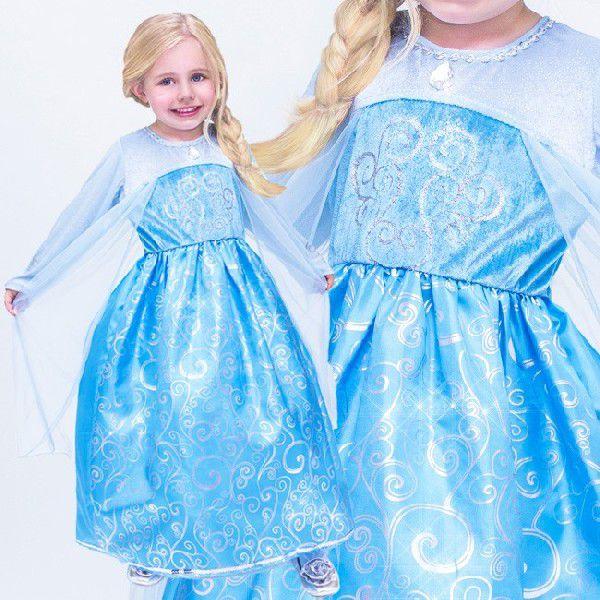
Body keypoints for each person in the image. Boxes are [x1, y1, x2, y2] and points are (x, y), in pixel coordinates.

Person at [239, 0, 599, 597]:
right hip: (346, 384)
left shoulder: (584, 70)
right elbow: (287, 226)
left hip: (501, 405)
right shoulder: (368, 56)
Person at [4, 13, 352, 598]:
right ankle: (156, 537)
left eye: (198, 77)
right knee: (162, 424)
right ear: (139, 87)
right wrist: (33, 277)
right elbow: (81, 218)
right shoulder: (130, 155)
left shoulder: (224, 151)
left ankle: (302, 534)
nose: (185, 93)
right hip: (163, 316)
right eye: (167, 80)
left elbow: (263, 220)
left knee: (275, 417)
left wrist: (306, 266)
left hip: (243, 311)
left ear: (217, 80)